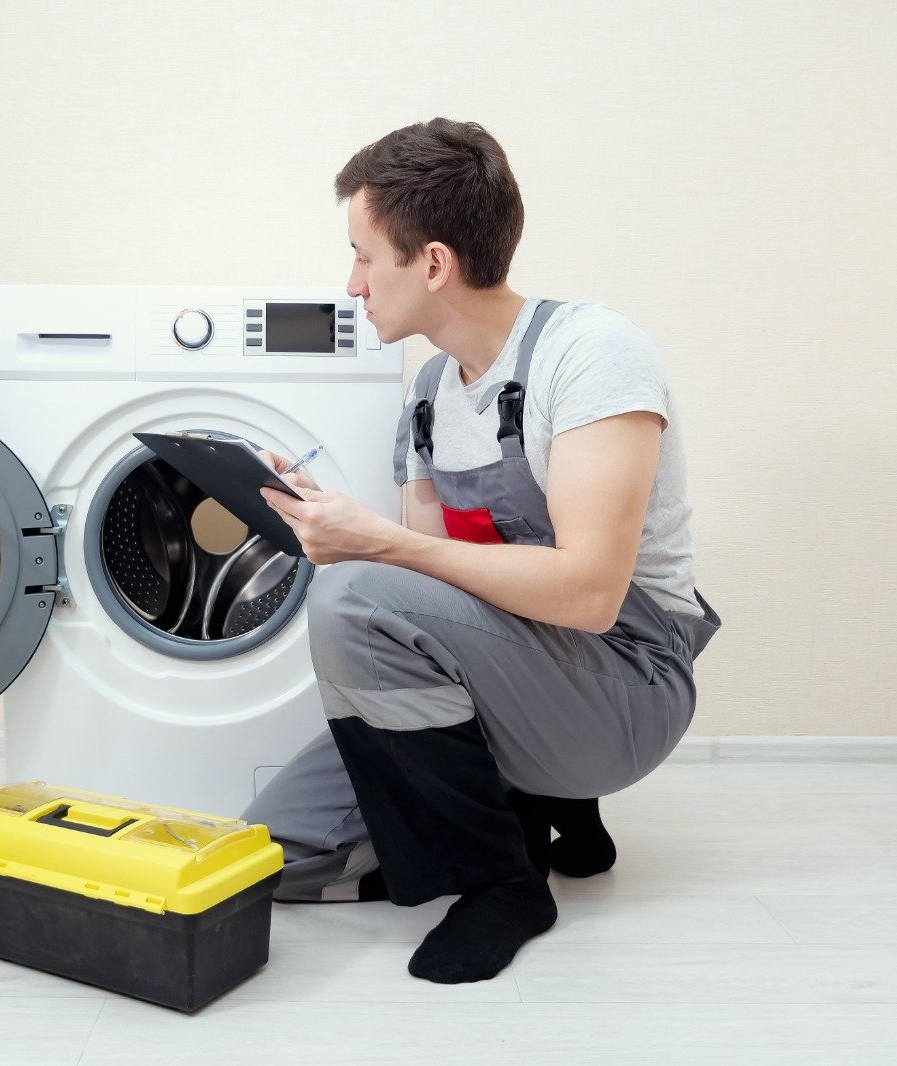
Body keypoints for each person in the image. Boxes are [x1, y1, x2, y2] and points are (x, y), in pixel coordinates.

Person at [240, 117, 721, 985]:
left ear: (431, 263)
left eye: (362, 256)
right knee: (279, 853)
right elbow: (436, 611)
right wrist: (329, 528)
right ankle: (532, 807)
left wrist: (372, 548)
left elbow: (588, 595)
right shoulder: (429, 391)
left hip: (625, 679)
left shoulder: (592, 355)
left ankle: (506, 880)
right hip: (517, 673)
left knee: (355, 596)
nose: (351, 285)